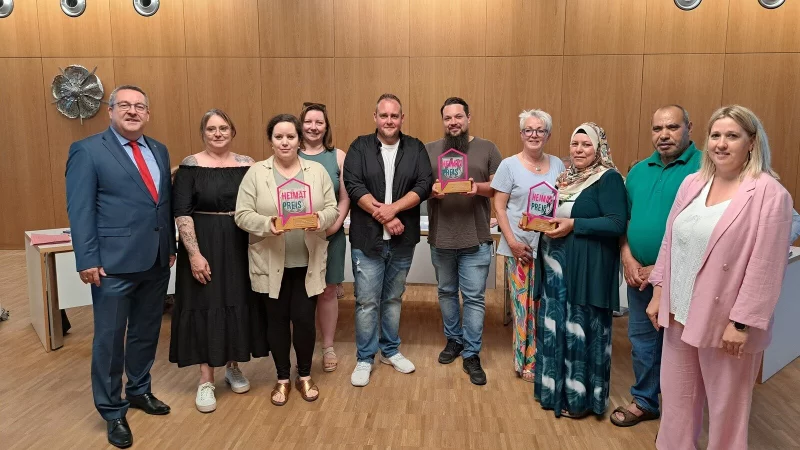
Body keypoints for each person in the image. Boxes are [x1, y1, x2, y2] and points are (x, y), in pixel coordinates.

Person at [647, 106, 793, 450]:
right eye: (716, 135)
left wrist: (741, 324)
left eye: (732, 136)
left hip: (726, 323)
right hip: (679, 313)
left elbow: (767, 266)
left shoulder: (771, 195)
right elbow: (671, 239)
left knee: (727, 409)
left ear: (751, 142)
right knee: (677, 400)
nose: (721, 144)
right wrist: (659, 291)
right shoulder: (693, 182)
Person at [66, 85, 176, 448]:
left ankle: (139, 391)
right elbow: (80, 209)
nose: (132, 111)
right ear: (109, 110)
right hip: (112, 265)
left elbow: (162, 205)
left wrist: (170, 245)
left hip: (156, 260)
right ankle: (112, 411)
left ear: (148, 114)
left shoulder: (158, 149)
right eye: (125, 105)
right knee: (110, 340)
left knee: (146, 333)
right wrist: (88, 258)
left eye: (139, 106)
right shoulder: (87, 150)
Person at [235, 114, 338, 406]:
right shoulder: (256, 173)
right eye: (279, 137)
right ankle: (282, 378)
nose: (285, 142)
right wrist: (269, 223)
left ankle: (304, 375)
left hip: (307, 262)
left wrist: (318, 219)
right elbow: (241, 214)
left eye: (290, 137)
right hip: (270, 262)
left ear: (299, 140)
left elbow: (332, 208)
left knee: (305, 322)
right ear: (271, 140)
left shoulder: (316, 172)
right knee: (277, 323)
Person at [611, 105, 701, 427]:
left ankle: (681, 417)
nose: (663, 135)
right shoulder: (638, 171)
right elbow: (625, 219)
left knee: (682, 349)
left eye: (672, 127)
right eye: (657, 128)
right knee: (642, 341)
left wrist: (662, 269)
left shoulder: (705, 168)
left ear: (689, 127)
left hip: (686, 278)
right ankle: (646, 401)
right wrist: (627, 256)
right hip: (639, 276)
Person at [533, 123, 627, 418]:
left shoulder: (608, 178)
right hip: (554, 268)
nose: (579, 150)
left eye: (587, 145)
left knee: (580, 331)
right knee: (554, 329)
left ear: (599, 148)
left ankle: (580, 400)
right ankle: (552, 392)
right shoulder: (563, 178)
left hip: (586, 270)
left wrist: (575, 225)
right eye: (575, 144)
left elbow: (616, 223)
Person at [170, 109, 261, 413]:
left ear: (233, 131)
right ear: (203, 134)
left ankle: (232, 366)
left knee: (236, 301)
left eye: (223, 127)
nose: (218, 133)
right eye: (211, 129)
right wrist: (194, 254)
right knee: (205, 304)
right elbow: (182, 212)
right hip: (203, 242)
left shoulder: (248, 165)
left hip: (240, 242)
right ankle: (206, 379)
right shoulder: (189, 166)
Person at [343, 93, 433, 387]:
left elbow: (424, 184)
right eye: (384, 115)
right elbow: (353, 185)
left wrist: (394, 209)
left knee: (393, 299)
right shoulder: (359, 147)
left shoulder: (416, 148)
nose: (389, 120)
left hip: (401, 241)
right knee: (367, 302)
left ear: (402, 119)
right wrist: (386, 215)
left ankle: (390, 350)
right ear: (375, 117)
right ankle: (365, 358)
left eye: (395, 116)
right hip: (367, 241)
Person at [427, 97, 502, 385]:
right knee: (446, 293)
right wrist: (432, 191)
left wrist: (477, 188)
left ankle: (471, 353)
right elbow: (420, 188)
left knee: (473, 298)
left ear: (469, 117)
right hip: (441, 238)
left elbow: (499, 188)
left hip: (476, 239)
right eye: (448, 118)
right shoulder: (430, 150)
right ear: (443, 121)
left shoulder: (488, 148)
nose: (453, 122)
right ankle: (454, 340)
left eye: (459, 116)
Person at [491, 109, 565, 383]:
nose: (534, 135)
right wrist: (511, 242)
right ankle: (524, 362)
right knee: (523, 307)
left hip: (549, 249)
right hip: (519, 249)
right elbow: (498, 207)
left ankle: (544, 359)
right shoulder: (509, 166)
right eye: (529, 130)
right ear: (521, 134)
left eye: (540, 130)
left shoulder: (558, 165)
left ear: (548, 134)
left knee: (545, 306)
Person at [298, 102, 350, 373]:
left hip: (331, 235)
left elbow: (345, 197)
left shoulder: (338, 156)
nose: (313, 127)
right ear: (301, 124)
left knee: (328, 291)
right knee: (300, 293)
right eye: (308, 122)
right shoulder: (289, 153)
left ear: (326, 126)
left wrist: (335, 225)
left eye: (319, 122)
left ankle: (327, 345)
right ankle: (301, 345)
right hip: (294, 238)